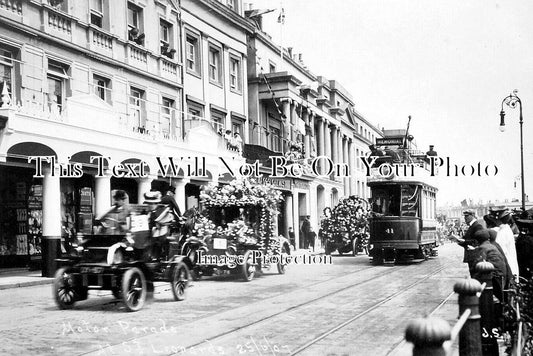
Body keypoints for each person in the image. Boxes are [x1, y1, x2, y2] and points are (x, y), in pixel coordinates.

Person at [471, 229, 508, 301]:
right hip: (501, 275)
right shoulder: (492, 246)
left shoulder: (483, 248)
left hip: (494, 278)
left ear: (477, 241)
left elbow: (477, 264)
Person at [144, 191, 173, 260]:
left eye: (152, 204)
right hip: (148, 234)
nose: (150, 205)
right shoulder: (146, 212)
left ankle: (160, 257)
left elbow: (165, 221)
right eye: (148, 204)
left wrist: (156, 223)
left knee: (158, 241)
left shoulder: (163, 211)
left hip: (161, 234)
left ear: (156, 203)